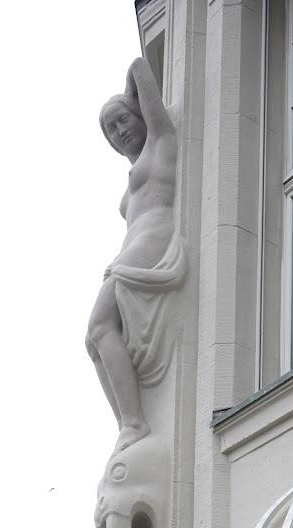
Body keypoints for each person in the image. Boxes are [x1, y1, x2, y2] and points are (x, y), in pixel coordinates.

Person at [86, 57, 184, 456]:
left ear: (140, 113)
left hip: (154, 238)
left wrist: (129, 91)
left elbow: (141, 66)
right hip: (132, 249)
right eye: (111, 129)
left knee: (98, 327)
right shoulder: (130, 182)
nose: (120, 131)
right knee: (95, 341)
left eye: (123, 119)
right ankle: (127, 425)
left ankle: (134, 422)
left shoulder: (162, 140)